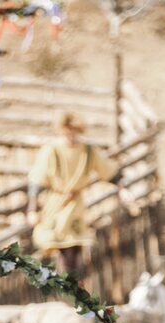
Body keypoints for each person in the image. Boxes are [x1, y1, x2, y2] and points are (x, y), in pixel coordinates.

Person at [27, 111, 132, 277]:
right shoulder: (52, 150)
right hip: (57, 203)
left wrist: (123, 188)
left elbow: (107, 171)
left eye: (74, 132)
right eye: (67, 133)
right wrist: (32, 209)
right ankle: (60, 283)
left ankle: (72, 286)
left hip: (76, 204)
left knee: (74, 248)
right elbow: (37, 179)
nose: (71, 136)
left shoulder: (87, 151)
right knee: (57, 244)